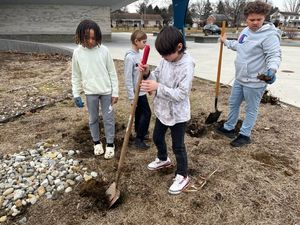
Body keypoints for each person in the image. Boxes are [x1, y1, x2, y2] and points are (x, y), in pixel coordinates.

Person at [216, 1, 281, 147]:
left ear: (264, 18)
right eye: (252, 20)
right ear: (246, 19)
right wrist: (225, 41)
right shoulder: (245, 31)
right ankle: (229, 128)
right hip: (240, 78)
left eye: (259, 19)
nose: (256, 23)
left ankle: (245, 135)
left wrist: (272, 69)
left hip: (255, 81)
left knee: (251, 108)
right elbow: (240, 46)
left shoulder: (269, 35)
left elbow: (274, 55)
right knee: (233, 103)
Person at [140, 26, 195, 194]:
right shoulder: (165, 59)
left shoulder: (187, 65)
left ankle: (182, 175)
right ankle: (163, 158)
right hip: (163, 110)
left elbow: (181, 94)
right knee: (157, 137)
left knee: (178, 146)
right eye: (161, 55)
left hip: (178, 114)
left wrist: (158, 88)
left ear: (179, 47)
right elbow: (156, 75)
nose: (163, 58)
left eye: (166, 54)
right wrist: (148, 73)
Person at [71, 19, 119, 159]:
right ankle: (96, 142)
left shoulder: (104, 51)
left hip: (106, 91)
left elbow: (112, 72)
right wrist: (76, 93)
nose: (91, 41)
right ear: (80, 36)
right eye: (87, 38)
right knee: (93, 118)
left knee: (108, 118)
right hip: (90, 92)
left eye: (94, 38)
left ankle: (110, 144)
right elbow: (75, 75)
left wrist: (115, 92)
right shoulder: (77, 53)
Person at [124, 30, 151, 150]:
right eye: (143, 42)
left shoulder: (140, 55)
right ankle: (139, 139)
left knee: (140, 114)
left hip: (142, 90)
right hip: (136, 93)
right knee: (147, 114)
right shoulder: (130, 58)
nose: (145, 44)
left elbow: (143, 74)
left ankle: (139, 133)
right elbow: (128, 78)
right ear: (136, 41)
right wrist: (131, 96)